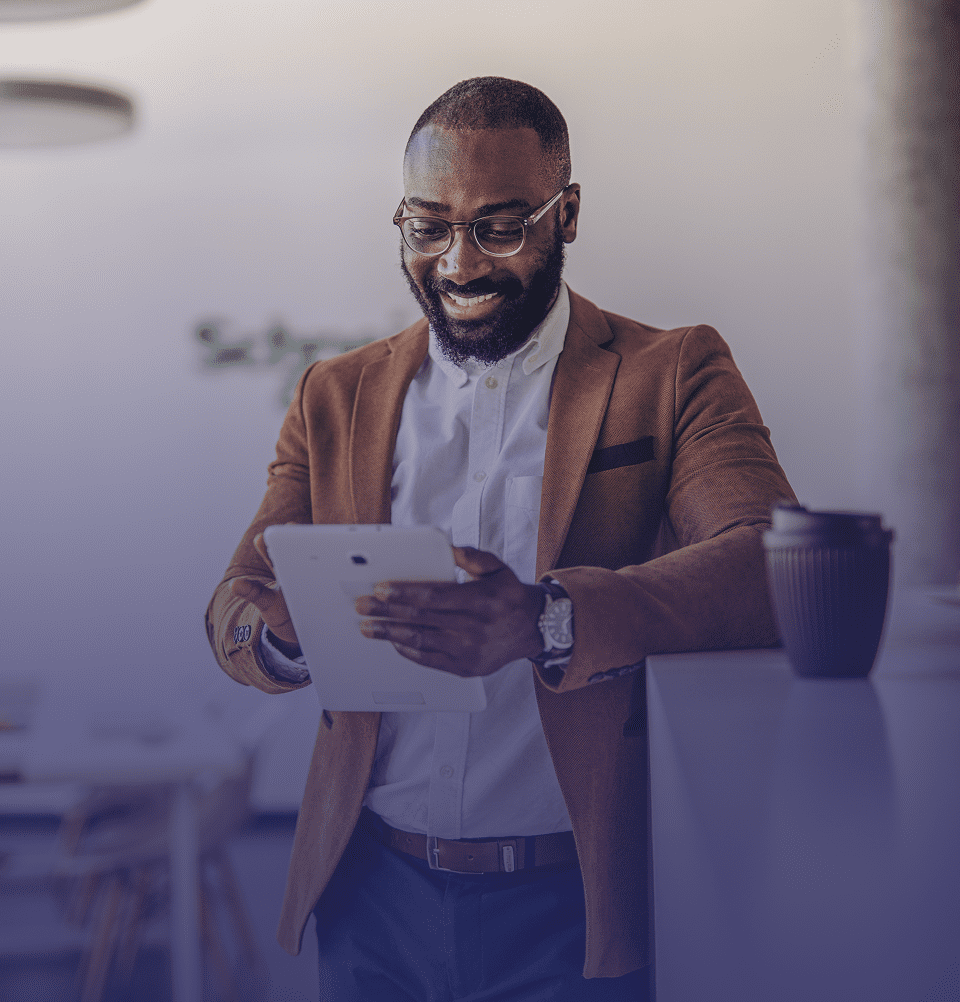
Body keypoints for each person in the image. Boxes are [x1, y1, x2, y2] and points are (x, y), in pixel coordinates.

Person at [206, 76, 796, 1001]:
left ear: (567, 215)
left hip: (576, 907)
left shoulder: (672, 372)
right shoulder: (337, 393)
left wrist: (547, 619)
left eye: (501, 225)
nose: (459, 263)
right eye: (428, 226)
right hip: (369, 897)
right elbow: (236, 604)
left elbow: (768, 563)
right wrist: (284, 638)